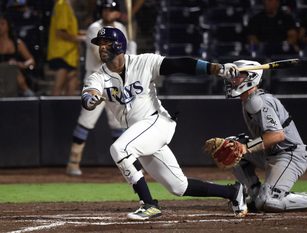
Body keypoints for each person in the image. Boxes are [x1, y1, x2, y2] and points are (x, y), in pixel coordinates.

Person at [81, 26, 247, 220]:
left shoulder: (144, 62)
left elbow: (179, 65)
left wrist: (215, 68)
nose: (101, 48)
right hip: (139, 135)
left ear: (119, 44)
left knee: (119, 149)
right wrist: (90, 99)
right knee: (179, 186)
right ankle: (233, 192)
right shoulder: (98, 76)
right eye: (99, 44)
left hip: (156, 122)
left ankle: (149, 204)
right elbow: (89, 94)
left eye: (105, 43)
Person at [223, 59, 307, 212]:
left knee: (269, 202)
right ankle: (255, 193)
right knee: (230, 147)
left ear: (251, 77)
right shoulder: (248, 100)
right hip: (271, 153)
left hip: (290, 154)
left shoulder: (259, 101)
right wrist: (241, 147)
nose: (232, 80)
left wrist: (246, 147)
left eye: (238, 76)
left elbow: (276, 136)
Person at [66, 0, 130, 176]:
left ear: (117, 13)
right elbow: (102, 56)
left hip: (115, 81)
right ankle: (73, 162)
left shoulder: (121, 28)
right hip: (96, 80)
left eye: (111, 10)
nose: (108, 13)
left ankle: (126, 164)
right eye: (105, 9)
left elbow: (125, 56)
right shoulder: (95, 29)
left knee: (118, 123)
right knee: (86, 121)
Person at [47, 0, 85, 96]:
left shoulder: (66, 6)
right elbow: (60, 32)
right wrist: (80, 38)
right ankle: (51, 110)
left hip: (70, 55)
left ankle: (68, 110)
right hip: (62, 54)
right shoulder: (62, 5)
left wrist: (84, 34)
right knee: (59, 85)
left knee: (72, 83)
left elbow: (70, 30)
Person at [0, 13, 35, 97]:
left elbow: (31, 61)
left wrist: (21, 64)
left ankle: (29, 95)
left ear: (8, 25)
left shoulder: (17, 43)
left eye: (2, 24)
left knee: (14, 71)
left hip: (13, 76)